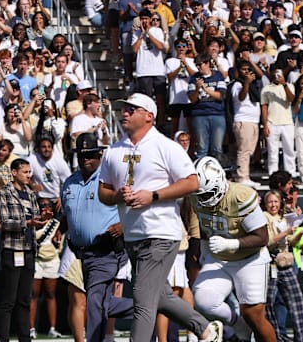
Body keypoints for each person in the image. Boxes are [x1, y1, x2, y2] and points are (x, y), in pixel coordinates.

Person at [98, 92, 223, 342]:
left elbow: (192, 182)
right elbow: (103, 191)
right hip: (133, 235)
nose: (125, 113)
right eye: (124, 108)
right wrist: (118, 196)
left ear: (149, 116)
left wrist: (153, 196)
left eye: (132, 109)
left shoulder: (166, 146)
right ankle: (206, 330)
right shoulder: (113, 150)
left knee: (144, 300)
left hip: (161, 233)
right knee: (160, 295)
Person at [191, 156, 276, 342]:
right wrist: (205, 250)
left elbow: (263, 237)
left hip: (249, 259)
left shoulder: (240, 196)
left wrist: (231, 244)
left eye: (207, 193)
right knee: (204, 301)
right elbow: (205, 229)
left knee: (254, 316)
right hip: (219, 259)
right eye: (200, 194)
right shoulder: (195, 197)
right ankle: (238, 326)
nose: (204, 198)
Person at [63, 132, 133, 342]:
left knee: (94, 301)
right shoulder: (69, 182)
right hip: (82, 255)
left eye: (91, 155)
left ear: (100, 154)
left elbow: (135, 204)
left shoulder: (110, 177)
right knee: (100, 302)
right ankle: (150, 306)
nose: (86, 159)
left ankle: (150, 306)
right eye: (82, 155)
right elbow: (69, 215)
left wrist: (123, 225)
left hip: (106, 250)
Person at [0, 158, 50, 342]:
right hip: (12, 250)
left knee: (25, 300)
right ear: (14, 173)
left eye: (30, 172)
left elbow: (35, 220)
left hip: (29, 250)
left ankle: (24, 338)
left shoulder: (30, 193)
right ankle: (3, 338)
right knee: (9, 301)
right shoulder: (4, 192)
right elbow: (4, 223)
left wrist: (42, 218)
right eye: (25, 172)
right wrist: (28, 223)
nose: (29, 175)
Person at [263, 190, 303, 342]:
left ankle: (301, 337)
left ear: (280, 203)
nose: (273, 205)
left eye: (276, 201)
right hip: (270, 264)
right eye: (270, 202)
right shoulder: (264, 217)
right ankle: (274, 337)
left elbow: (291, 241)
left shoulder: (284, 217)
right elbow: (269, 241)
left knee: (296, 301)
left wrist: (300, 232)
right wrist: (286, 232)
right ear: (265, 204)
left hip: (285, 264)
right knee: (268, 304)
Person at [29, 197, 62, 339]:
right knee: (33, 295)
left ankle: (52, 328)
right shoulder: (33, 223)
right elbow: (33, 238)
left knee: (50, 294)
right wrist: (41, 223)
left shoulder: (57, 224)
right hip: (36, 261)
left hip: (52, 261)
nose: (46, 209)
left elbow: (59, 244)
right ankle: (31, 328)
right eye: (42, 206)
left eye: (48, 206)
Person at [187, 53, 227, 160]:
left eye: (200, 65)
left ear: (207, 63)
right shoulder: (194, 78)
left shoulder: (218, 76)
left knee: (217, 149)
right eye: (196, 65)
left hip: (217, 114)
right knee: (201, 148)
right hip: (199, 115)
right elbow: (193, 99)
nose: (198, 67)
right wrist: (197, 89)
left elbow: (221, 96)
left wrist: (205, 89)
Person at [260, 64, 296, 177]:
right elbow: (264, 107)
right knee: (272, 151)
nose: (277, 75)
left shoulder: (289, 86)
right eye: (275, 73)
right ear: (271, 73)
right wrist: (265, 125)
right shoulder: (266, 89)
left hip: (287, 123)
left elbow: (291, 99)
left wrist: (284, 84)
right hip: (272, 123)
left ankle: (291, 173)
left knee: (289, 150)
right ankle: (273, 174)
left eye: (279, 73)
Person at [231, 60, 261, 187]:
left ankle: (246, 175)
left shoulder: (255, 86)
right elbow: (241, 97)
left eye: (248, 69)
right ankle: (242, 177)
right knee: (243, 150)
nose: (246, 72)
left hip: (253, 121)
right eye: (243, 69)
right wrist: (247, 83)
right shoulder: (237, 84)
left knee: (249, 151)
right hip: (243, 120)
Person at [28, 137, 71, 213]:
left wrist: (62, 197)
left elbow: (69, 181)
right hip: (39, 198)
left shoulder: (59, 161)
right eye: (43, 147)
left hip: (56, 199)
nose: (46, 149)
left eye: (49, 147)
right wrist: (32, 185)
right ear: (38, 148)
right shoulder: (32, 159)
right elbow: (23, 176)